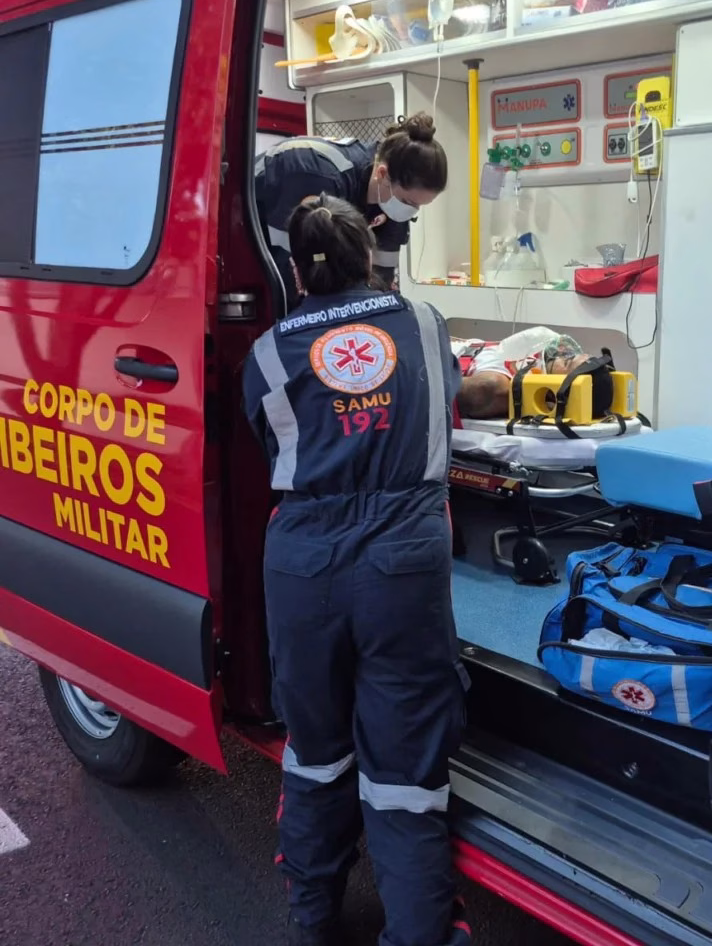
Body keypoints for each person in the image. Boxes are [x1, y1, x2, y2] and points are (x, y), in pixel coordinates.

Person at [242, 194, 469, 946]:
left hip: (305, 564)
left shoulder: (270, 351)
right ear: (368, 256)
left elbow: (274, 449)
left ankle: (311, 921)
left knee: (315, 752)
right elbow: (450, 397)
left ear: (297, 273)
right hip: (403, 559)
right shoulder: (426, 326)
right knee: (406, 777)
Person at [255, 112, 448, 304]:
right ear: (382, 174)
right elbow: (299, 265)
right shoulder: (320, 176)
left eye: (419, 206)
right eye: (408, 202)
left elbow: (382, 279)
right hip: (246, 221)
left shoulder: (392, 195)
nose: (411, 211)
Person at [453, 326, 615, 422]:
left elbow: (432, 385)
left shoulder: (495, 387)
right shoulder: (527, 365)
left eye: (567, 360)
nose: (561, 351)